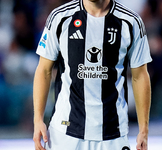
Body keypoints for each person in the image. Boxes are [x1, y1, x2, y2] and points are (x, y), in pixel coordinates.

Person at [33, 0, 152, 150]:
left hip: (113, 134)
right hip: (65, 133)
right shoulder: (60, 17)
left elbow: (140, 76)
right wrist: (38, 120)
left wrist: (144, 129)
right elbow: (44, 70)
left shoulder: (130, 22)